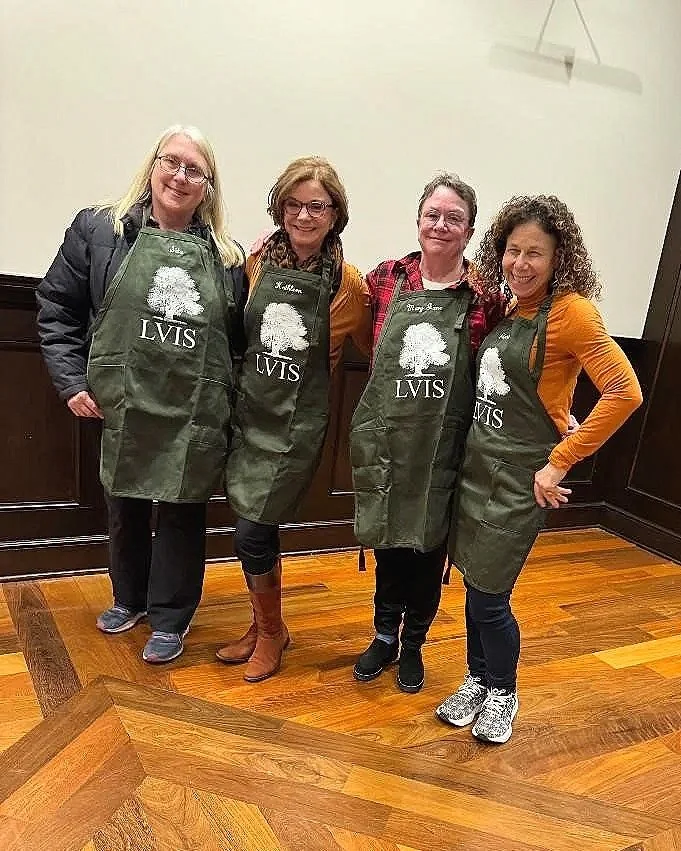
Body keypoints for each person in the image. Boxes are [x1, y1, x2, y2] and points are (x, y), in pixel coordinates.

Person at [435, 195, 643, 743]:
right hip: (477, 469)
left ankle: (503, 689)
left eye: (536, 254)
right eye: (512, 251)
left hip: (520, 478)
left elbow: (625, 392)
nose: (520, 264)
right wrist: (560, 412)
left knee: (490, 594)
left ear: (559, 259)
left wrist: (559, 462)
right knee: (473, 583)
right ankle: (477, 679)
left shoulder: (573, 312)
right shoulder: (511, 309)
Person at [36, 124, 246, 664]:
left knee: (181, 509)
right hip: (123, 399)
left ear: (209, 187)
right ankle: (128, 598)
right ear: (152, 165)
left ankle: (172, 616)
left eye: (193, 169)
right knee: (124, 501)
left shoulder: (226, 258)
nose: (179, 175)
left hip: (192, 408)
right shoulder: (100, 230)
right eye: (170, 162)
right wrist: (72, 382)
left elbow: (237, 342)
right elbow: (57, 308)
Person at [350, 173, 508, 694]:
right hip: (389, 442)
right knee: (390, 545)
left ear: (469, 230)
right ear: (418, 221)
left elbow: (509, 363)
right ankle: (383, 635)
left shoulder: (484, 296)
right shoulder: (384, 281)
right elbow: (327, 285)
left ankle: (414, 643)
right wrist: (264, 250)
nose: (441, 225)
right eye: (432, 215)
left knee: (426, 552)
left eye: (454, 218)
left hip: (445, 448)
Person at [216, 156, 372, 682]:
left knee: (251, 532)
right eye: (295, 204)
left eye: (318, 206)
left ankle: (271, 633)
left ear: (336, 215)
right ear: (280, 208)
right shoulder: (257, 263)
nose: (305, 216)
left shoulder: (349, 285)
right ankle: (266, 626)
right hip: (250, 413)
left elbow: (378, 349)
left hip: (296, 427)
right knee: (253, 529)